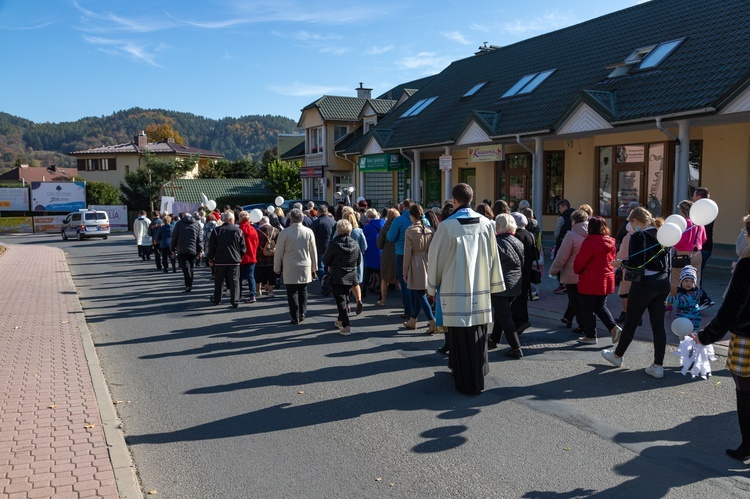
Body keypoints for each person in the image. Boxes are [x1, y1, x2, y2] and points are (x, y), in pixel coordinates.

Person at [427, 183, 504, 395]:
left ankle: (464, 381)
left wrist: (432, 286)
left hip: (454, 289)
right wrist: (494, 283)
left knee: (459, 337)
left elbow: (436, 259)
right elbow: (493, 256)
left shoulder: (447, 227)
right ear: (472, 198)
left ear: (454, 200)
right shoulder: (487, 223)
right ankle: (479, 377)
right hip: (480, 288)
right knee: (479, 334)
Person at [693, 214, 750, 461]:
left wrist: (707, 336)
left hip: (748, 337)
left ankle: (748, 444)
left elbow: (731, 307)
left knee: (746, 392)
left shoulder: (747, 266)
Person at [603, 207, 670, 378]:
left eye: (630, 223)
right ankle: (658, 365)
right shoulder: (661, 232)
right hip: (662, 282)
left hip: (644, 284)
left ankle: (617, 356)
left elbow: (635, 263)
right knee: (658, 325)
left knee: (631, 321)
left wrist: (621, 264)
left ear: (635, 221)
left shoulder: (638, 236)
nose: (630, 227)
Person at [573, 216, 620, 344]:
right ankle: (613, 328)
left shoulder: (589, 242)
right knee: (600, 306)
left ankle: (591, 335)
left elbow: (580, 263)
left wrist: (576, 269)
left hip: (590, 278)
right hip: (606, 278)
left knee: (588, 308)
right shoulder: (610, 242)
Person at [488, 213, 524, 358]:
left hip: (501, 283)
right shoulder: (517, 241)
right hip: (515, 282)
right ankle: (494, 339)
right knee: (502, 312)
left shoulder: (496, 242)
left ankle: (516, 347)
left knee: (504, 315)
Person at [274, 208, 318, 324]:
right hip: (305, 264)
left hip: (289, 266)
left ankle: (294, 316)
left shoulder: (285, 232)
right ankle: (302, 313)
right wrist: (315, 266)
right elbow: (313, 251)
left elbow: (278, 252)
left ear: (291, 219)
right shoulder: (308, 231)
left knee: (291, 292)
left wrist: (276, 267)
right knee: (303, 289)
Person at [549, 209, 589, 332]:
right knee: (582, 300)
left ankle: (583, 325)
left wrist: (553, 271)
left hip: (572, 272)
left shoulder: (571, 235)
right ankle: (570, 318)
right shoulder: (592, 233)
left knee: (575, 300)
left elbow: (562, 256)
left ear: (574, 221)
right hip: (587, 273)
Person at [323, 219, 362, 336]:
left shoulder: (334, 243)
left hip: (337, 274)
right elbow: (358, 261)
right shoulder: (355, 243)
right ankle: (340, 321)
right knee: (345, 298)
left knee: (341, 301)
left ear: (338, 231)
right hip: (351, 274)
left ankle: (346, 325)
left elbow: (326, 260)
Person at [402, 204, 436, 333]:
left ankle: (432, 321)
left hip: (415, 262)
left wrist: (405, 271)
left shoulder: (410, 231)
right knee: (419, 292)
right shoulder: (429, 229)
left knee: (419, 293)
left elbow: (407, 253)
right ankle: (413, 320)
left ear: (412, 215)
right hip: (427, 261)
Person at [670, 200, 707, 298]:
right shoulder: (700, 223)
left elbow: (680, 240)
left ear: (683, 211)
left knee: (676, 280)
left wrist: (673, 245)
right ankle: (694, 303)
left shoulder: (685, 223)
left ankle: (669, 303)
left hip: (683, 254)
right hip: (697, 254)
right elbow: (704, 238)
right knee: (695, 280)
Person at [207, 211, 245, 308]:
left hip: (220, 260)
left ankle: (217, 299)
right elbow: (243, 247)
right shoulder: (238, 231)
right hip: (234, 260)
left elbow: (211, 247)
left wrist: (210, 258)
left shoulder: (216, 231)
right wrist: (240, 256)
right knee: (234, 280)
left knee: (219, 280)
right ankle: (235, 300)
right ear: (232, 220)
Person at [510, 212, 538, 335]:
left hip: (516, 271)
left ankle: (520, 321)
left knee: (515, 298)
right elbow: (536, 254)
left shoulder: (514, 235)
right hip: (527, 270)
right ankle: (522, 321)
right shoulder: (530, 235)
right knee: (523, 297)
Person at [387, 199, 414, 319]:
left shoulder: (399, 220)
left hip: (402, 253)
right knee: (418, 284)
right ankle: (417, 309)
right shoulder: (423, 220)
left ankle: (408, 310)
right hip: (420, 255)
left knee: (405, 283)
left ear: (403, 207)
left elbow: (391, 237)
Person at [342, 207, 367, 314]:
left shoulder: (340, 231)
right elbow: (364, 246)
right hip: (357, 258)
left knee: (344, 283)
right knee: (355, 282)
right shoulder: (359, 231)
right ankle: (359, 300)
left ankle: (346, 304)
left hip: (343, 259)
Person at [170, 212, 203, 292]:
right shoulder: (196, 224)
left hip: (182, 249)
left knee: (185, 267)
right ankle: (189, 283)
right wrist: (200, 250)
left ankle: (188, 284)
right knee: (191, 267)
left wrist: (172, 249)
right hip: (193, 249)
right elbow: (200, 239)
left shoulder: (178, 224)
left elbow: (174, 237)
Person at [673, 265, 713, 330]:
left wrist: (669, 299)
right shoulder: (681, 292)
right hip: (682, 320)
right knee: (682, 336)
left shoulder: (694, 293)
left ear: (695, 284)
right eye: (686, 281)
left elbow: (682, 300)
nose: (689, 283)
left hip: (693, 320)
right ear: (681, 282)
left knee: (691, 336)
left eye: (692, 281)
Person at [377, 208, 399, 306]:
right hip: (398, 253)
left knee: (384, 278)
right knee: (399, 278)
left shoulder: (384, 227)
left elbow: (379, 244)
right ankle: (405, 301)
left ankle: (383, 299)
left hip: (386, 254)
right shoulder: (400, 226)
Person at [311, 205, 336, 295]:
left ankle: (325, 284)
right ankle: (328, 283)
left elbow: (312, 236)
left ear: (319, 212)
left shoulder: (317, 222)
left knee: (320, 268)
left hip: (320, 248)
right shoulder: (333, 222)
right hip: (332, 248)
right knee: (329, 267)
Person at [553, 199, 575, 294]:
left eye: (560, 207)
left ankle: (562, 284)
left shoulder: (562, 218)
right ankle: (569, 284)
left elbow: (557, 232)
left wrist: (557, 240)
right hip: (573, 243)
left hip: (562, 242)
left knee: (560, 261)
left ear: (565, 207)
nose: (559, 210)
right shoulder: (575, 216)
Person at [692, 187, 713, 282]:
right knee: (696, 275)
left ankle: (698, 295)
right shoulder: (708, 209)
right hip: (704, 247)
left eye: (694, 195)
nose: (692, 197)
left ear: (699, 197)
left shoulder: (703, 211)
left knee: (695, 276)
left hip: (701, 247)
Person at [362, 209, 383, 301]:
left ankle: (362, 293)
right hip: (380, 252)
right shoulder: (383, 224)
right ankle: (383, 294)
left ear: (369, 217)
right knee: (381, 276)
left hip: (370, 251)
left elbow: (364, 239)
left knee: (367, 274)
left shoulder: (367, 226)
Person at [238, 211, 259, 303]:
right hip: (251, 255)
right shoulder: (253, 230)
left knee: (238, 277)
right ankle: (253, 294)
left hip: (241, 257)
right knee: (251, 276)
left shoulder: (239, 230)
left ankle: (238, 295)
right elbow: (257, 243)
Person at [255, 216, 279, 298]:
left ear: (261, 222)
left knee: (258, 274)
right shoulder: (275, 230)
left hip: (259, 256)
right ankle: (270, 291)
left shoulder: (257, 231)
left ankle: (258, 290)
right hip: (272, 256)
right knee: (271, 273)